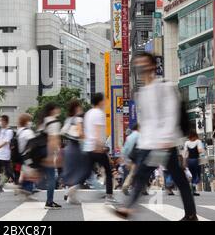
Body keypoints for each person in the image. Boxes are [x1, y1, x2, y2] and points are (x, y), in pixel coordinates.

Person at [114, 52, 198, 221]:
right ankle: (128, 209)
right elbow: (145, 122)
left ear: (152, 65)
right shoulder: (141, 92)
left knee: (178, 179)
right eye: (138, 64)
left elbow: (170, 113)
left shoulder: (164, 86)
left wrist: (166, 139)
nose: (141, 67)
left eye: (144, 63)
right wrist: (141, 143)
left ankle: (190, 214)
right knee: (142, 176)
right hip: (149, 144)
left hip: (164, 143)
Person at [76, 93, 118, 205]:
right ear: (100, 101)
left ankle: (71, 189)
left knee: (86, 173)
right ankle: (109, 197)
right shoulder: (99, 113)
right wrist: (99, 146)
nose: (105, 102)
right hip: (97, 147)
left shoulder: (88, 113)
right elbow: (98, 130)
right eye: (104, 100)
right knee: (108, 172)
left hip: (88, 147)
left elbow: (85, 131)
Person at [38, 103, 63, 210]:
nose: (59, 109)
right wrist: (52, 155)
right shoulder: (54, 121)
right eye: (57, 107)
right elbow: (53, 139)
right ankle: (49, 202)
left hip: (39, 151)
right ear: (52, 110)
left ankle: (26, 188)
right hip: (47, 150)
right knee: (52, 176)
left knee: (43, 173)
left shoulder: (44, 120)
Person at [61, 100, 85, 205]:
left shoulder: (68, 119)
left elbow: (63, 132)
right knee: (84, 171)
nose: (82, 109)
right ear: (76, 108)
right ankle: (71, 191)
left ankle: (72, 198)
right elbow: (80, 133)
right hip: (77, 147)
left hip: (68, 148)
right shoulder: (78, 118)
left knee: (72, 172)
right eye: (80, 107)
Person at [15, 113, 37, 196]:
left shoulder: (19, 131)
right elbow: (33, 144)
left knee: (26, 172)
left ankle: (23, 188)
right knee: (30, 172)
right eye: (30, 121)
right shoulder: (28, 132)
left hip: (23, 156)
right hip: (29, 155)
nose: (31, 122)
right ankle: (27, 190)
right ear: (26, 121)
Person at [183, 131, 204, 196]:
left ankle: (192, 188)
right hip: (196, 160)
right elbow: (200, 151)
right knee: (197, 175)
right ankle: (193, 189)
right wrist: (203, 150)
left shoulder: (186, 143)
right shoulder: (198, 141)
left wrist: (184, 162)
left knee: (192, 175)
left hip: (189, 160)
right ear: (195, 136)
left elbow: (185, 153)